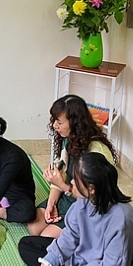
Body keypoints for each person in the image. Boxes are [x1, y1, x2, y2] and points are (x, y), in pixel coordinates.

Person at [29, 94, 116, 238]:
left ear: (75, 123)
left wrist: (62, 186)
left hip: (86, 209)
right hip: (68, 198)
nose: (54, 125)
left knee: (46, 237)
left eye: (59, 122)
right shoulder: (69, 140)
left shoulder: (97, 152)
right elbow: (61, 174)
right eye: (54, 120)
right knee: (34, 227)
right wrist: (52, 203)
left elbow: (96, 199)